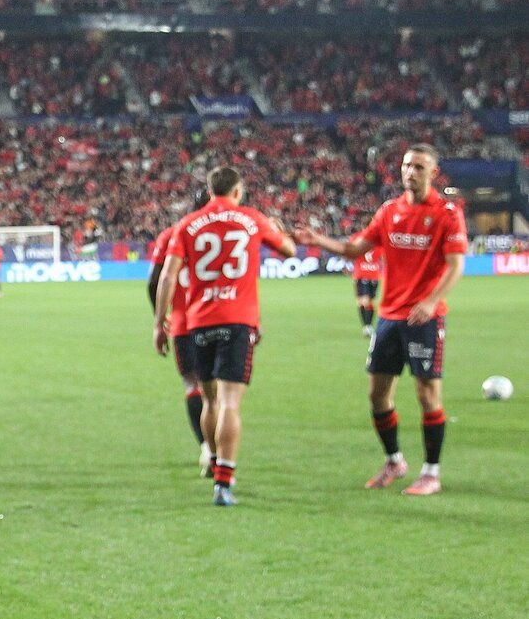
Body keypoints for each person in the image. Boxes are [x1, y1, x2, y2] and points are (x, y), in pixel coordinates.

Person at [294, 144, 466, 496]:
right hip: (390, 316)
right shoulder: (390, 211)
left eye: (418, 167)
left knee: (427, 395)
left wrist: (432, 302)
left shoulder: (447, 213)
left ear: (433, 173)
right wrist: (318, 240)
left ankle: (431, 472)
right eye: (406, 165)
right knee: (377, 395)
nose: (410, 172)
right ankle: (394, 461)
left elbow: (455, 266)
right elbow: (355, 248)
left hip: (424, 318)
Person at [151, 167, 295, 506]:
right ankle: (224, 483)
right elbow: (287, 249)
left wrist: (160, 323)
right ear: (238, 190)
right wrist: (277, 231)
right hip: (237, 321)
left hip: (199, 322)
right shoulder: (251, 218)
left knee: (210, 399)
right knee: (231, 402)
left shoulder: (186, 225)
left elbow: (167, 277)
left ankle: (213, 460)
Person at [147, 200, 211, 474]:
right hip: (222, 317)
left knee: (192, 384)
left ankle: (207, 448)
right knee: (221, 391)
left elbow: (155, 281)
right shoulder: (230, 232)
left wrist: (160, 320)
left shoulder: (172, 234)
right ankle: (223, 454)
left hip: (185, 321)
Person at [352, 245, 382, 338]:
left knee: (368, 301)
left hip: (373, 276)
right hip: (360, 275)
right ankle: (366, 326)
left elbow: (384, 256)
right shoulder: (358, 239)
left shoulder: (378, 244)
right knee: (361, 302)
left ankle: (368, 326)